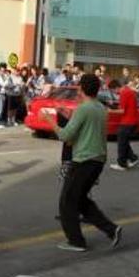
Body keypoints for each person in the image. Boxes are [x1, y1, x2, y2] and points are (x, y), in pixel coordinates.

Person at [41, 73, 123, 253]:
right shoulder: (99, 107)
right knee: (80, 200)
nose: (77, 88)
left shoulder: (84, 108)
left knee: (67, 202)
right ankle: (111, 229)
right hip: (98, 160)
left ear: (82, 88)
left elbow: (65, 135)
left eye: (78, 86)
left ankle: (76, 241)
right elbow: (87, 127)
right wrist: (69, 114)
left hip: (83, 160)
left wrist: (48, 119)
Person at [109, 79, 139, 171]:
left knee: (121, 142)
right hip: (132, 120)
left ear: (115, 88)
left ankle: (122, 164)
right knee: (124, 141)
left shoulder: (123, 93)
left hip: (127, 121)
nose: (114, 93)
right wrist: (114, 105)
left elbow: (122, 111)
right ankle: (133, 158)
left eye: (113, 91)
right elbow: (125, 106)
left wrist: (110, 111)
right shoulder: (128, 91)